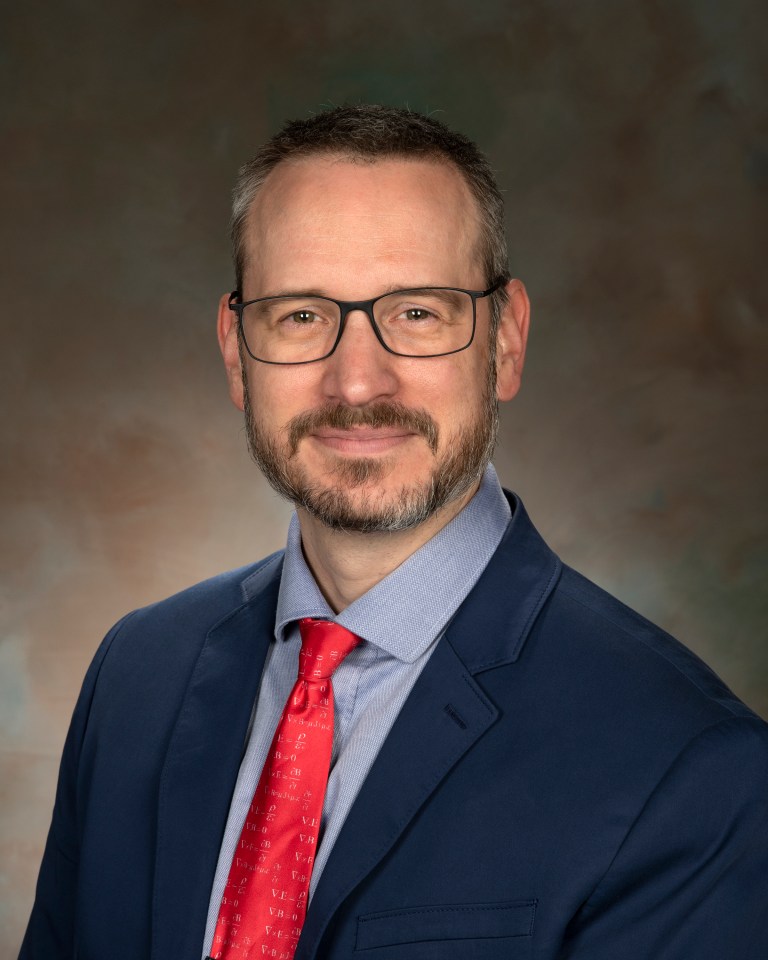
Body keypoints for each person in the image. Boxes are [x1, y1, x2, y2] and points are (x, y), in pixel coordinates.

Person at [20, 104, 768, 960]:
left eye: (417, 312)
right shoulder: (136, 678)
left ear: (506, 341)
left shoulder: (693, 769)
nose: (356, 380)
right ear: (236, 351)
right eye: (301, 315)